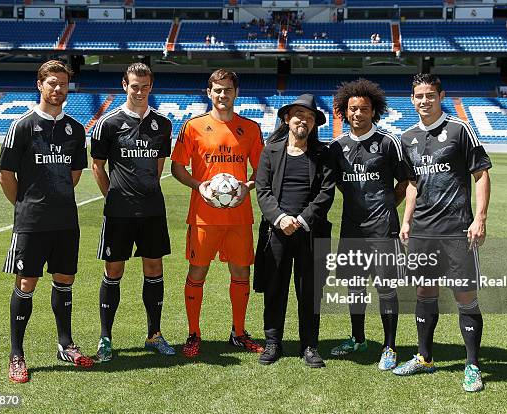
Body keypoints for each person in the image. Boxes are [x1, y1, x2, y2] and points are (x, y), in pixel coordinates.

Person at [393, 74, 492, 393]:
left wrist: (480, 218)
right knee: (424, 294)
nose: (424, 100)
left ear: (440, 96)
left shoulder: (459, 130)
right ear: (412, 99)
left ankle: (473, 365)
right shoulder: (406, 137)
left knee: (465, 297)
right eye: (419, 96)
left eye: (430, 95)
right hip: (422, 230)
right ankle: (424, 357)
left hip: (456, 230)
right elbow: (411, 185)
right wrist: (406, 220)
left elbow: (480, 174)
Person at [0, 60, 93, 383]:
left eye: (63, 84)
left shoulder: (76, 129)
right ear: (40, 84)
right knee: (26, 284)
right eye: (52, 83)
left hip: (66, 219)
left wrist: (56, 198)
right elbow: (5, 176)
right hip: (32, 221)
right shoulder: (22, 126)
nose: (57, 89)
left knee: (65, 280)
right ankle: (16, 354)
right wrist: (25, 204)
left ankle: (65, 345)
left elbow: (75, 174)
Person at [171, 69, 265, 357]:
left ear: (236, 93)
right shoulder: (193, 126)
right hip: (203, 217)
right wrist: (200, 186)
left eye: (227, 89)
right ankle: (193, 333)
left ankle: (238, 333)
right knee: (197, 272)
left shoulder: (250, 128)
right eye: (217, 90)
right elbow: (177, 167)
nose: (222, 95)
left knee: (240, 273)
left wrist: (245, 187)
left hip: (238, 216)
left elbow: (261, 171)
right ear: (209, 92)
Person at [90, 63, 174, 362]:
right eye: (134, 86)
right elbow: (97, 166)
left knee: (154, 269)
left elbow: (159, 165)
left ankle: (154, 334)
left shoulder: (163, 124)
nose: (139, 91)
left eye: (145, 86)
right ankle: (105, 338)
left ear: (151, 87)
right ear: (125, 85)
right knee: (114, 271)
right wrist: (114, 196)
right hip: (119, 213)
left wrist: (144, 190)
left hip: (152, 210)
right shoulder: (108, 123)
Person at [328, 79, 413, 370]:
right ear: (344, 111)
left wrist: (387, 208)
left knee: (386, 288)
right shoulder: (336, 147)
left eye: (364, 109)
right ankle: (358, 338)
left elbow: (405, 183)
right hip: (351, 228)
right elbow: (336, 184)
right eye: (352, 109)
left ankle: (389, 346)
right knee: (354, 286)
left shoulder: (389, 142)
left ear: (373, 111)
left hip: (383, 229)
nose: (358, 114)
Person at [255, 94, 335, 368]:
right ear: (288, 119)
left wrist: (300, 220)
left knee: (309, 292)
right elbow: (263, 191)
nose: (304, 120)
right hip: (277, 233)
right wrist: (280, 219)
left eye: (310, 117)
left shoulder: (323, 154)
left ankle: (310, 345)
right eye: (299, 115)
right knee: (275, 289)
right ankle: (273, 342)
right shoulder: (270, 151)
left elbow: (326, 194)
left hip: (310, 233)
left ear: (314, 124)